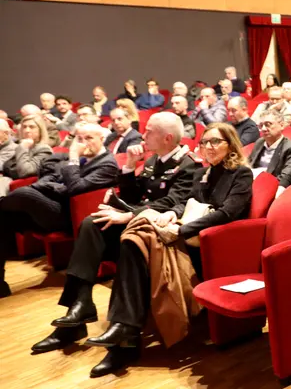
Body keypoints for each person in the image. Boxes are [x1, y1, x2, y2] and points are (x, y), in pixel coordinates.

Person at [83, 123, 252, 377]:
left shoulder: (241, 173)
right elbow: (187, 202)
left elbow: (228, 213)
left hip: (212, 244)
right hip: (188, 234)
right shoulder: (202, 173)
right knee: (132, 242)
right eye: (204, 142)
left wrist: (181, 230)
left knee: (136, 244)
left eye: (216, 141)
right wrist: (173, 214)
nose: (208, 147)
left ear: (231, 144)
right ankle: (124, 332)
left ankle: (125, 338)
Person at [30, 112, 199, 354]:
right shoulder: (153, 161)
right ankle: (80, 306)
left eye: (149, 131)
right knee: (92, 223)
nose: (143, 134)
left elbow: (172, 202)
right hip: (139, 223)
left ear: (167, 138)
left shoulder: (189, 164)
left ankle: (123, 336)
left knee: (126, 239)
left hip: (159, 232)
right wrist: (129, 166)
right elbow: (133, 196)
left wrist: (129, 216)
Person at [0, 122, 120, 297]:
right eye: (79, 138)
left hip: (70, 216)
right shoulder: (78, 160)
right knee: (3, 219)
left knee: (25, 193)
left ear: (102, 139)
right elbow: (48, 179)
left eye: (89, 138)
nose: (83, 143)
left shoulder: (107, 165)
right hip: (51, 207)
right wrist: (58, 187)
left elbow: (75, 188)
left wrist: (73, 158)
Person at [0, 115, 51, 194]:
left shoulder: (44, 150)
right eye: (24, 127)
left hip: (28, 191)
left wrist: (23, 148)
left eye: (32, 127)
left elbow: (25, 172)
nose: (27, 130)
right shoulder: (21, 146)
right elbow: (7, 168)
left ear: (40, 130)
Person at [248, 109, 291, 179]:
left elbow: (286, 177)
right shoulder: (260, 142)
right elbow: (249, 164)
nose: (263, 129)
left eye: (268, 124)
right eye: (261, 125)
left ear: (281, 125)